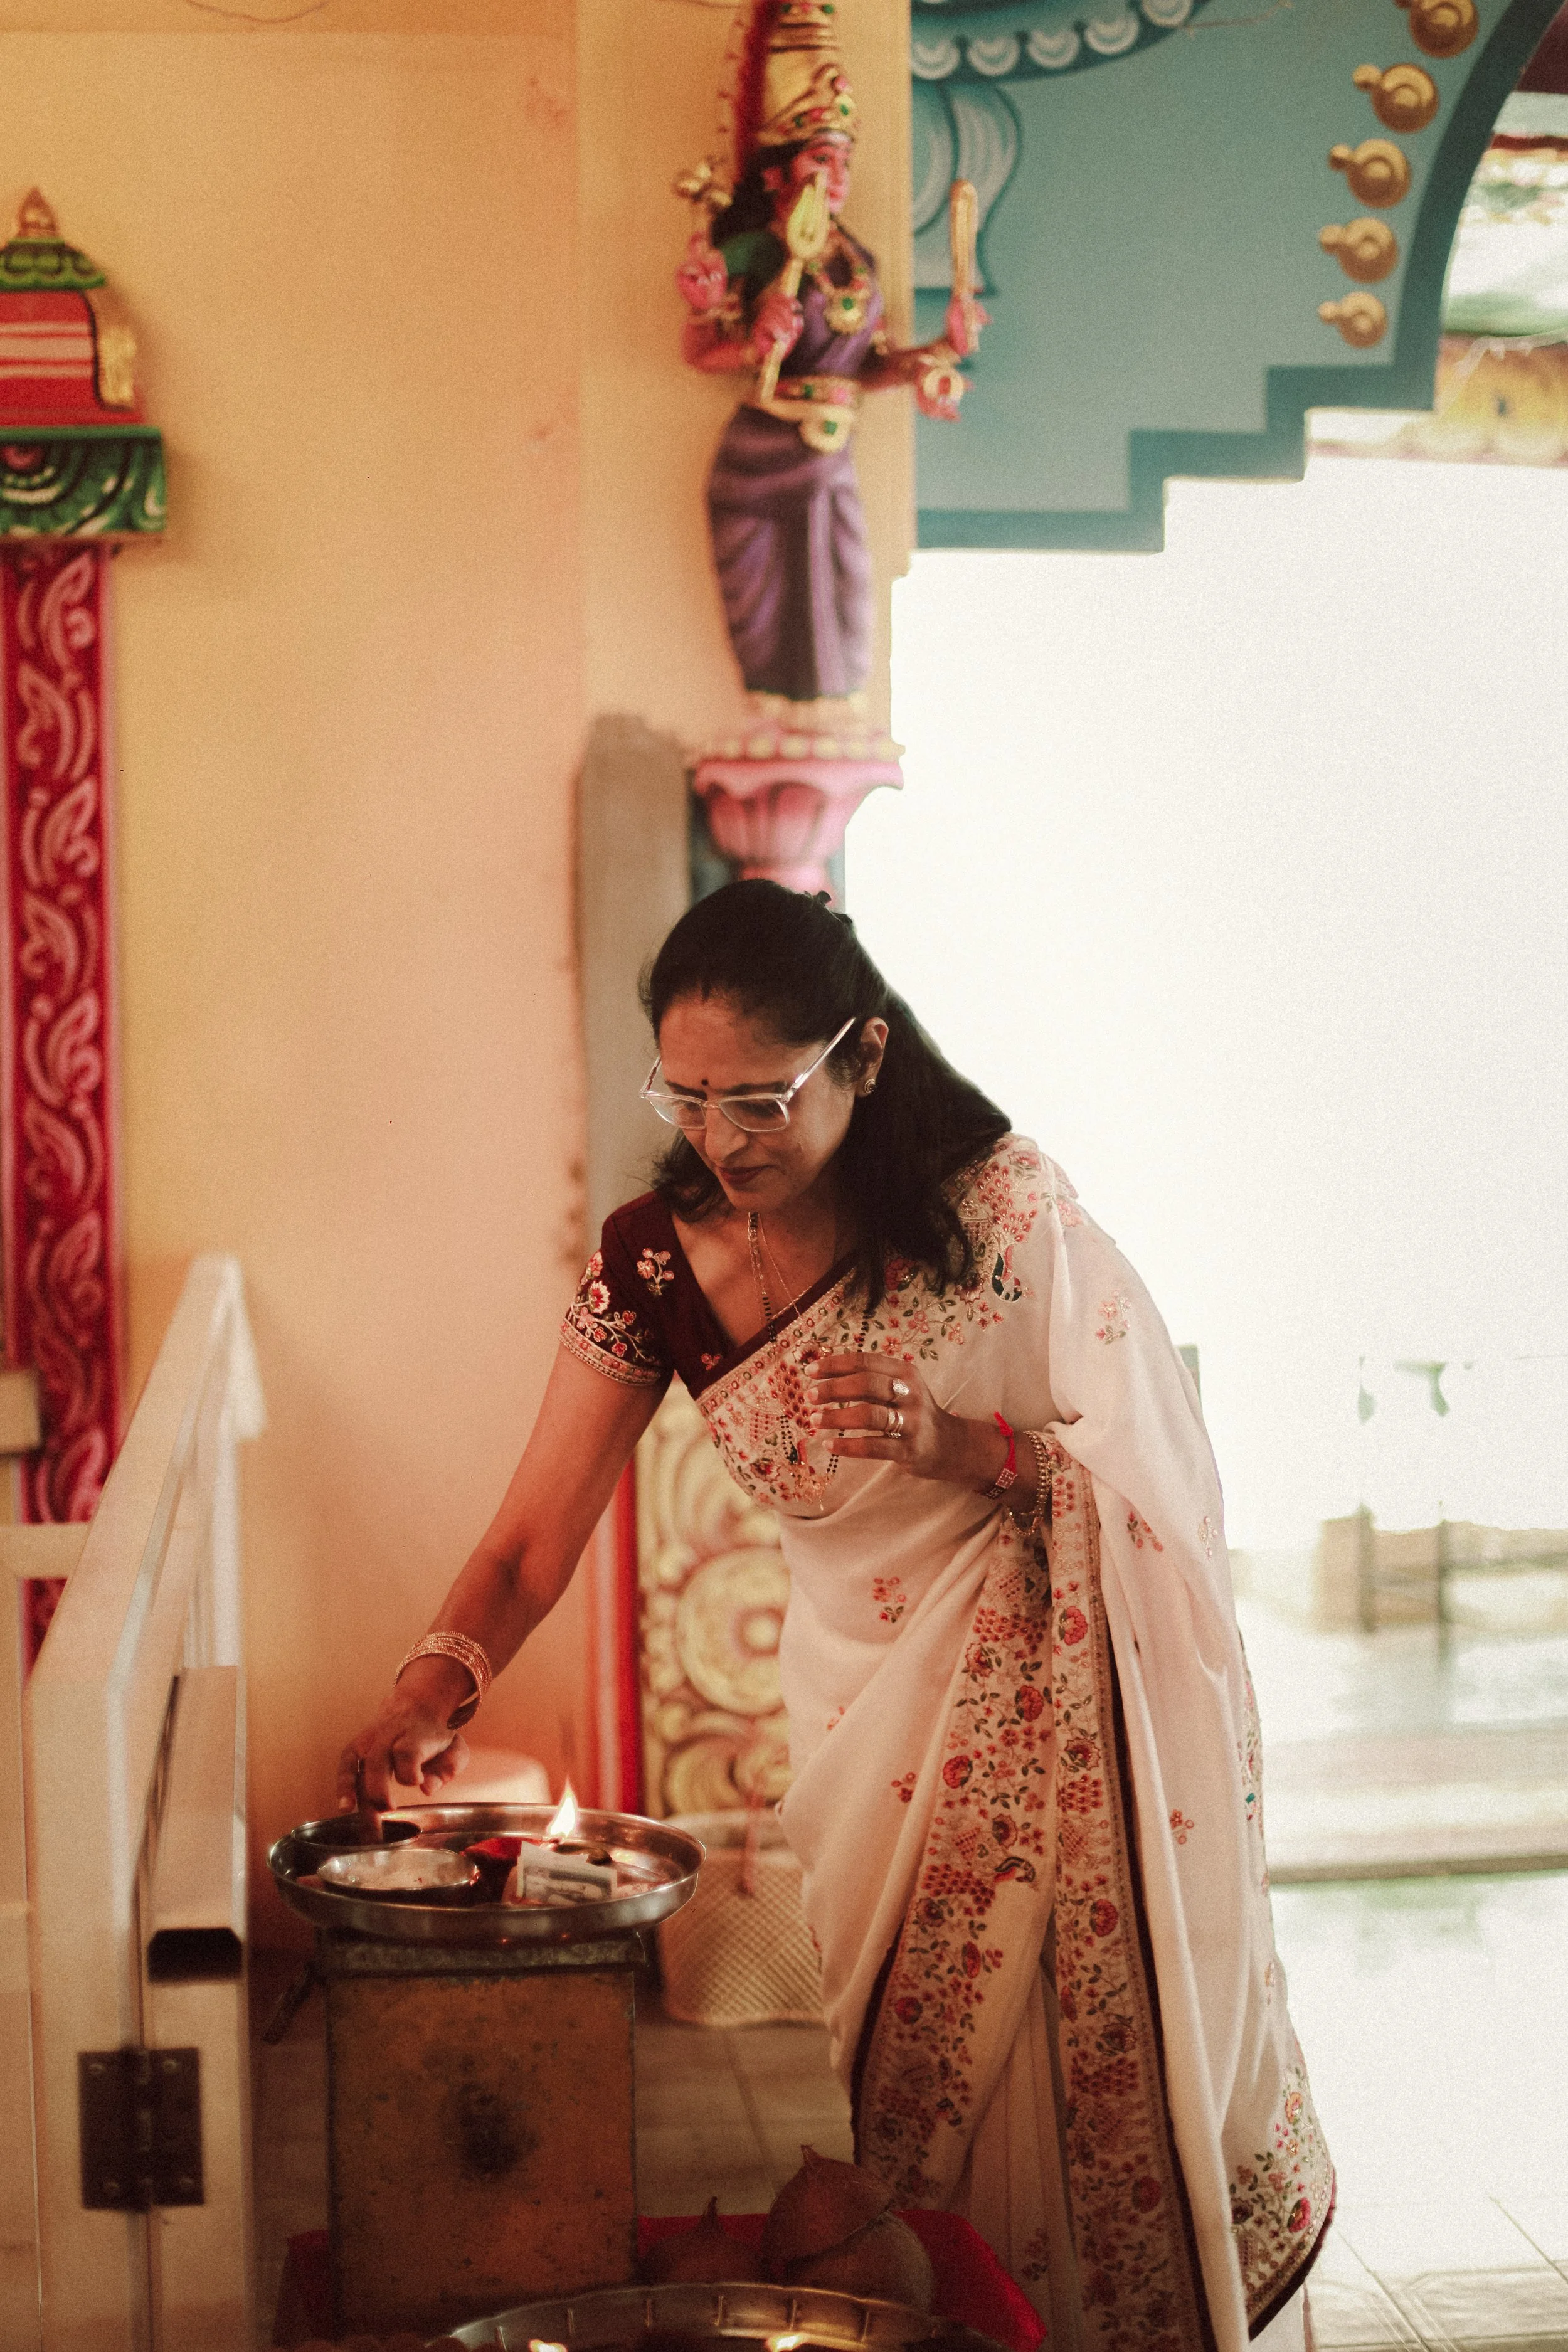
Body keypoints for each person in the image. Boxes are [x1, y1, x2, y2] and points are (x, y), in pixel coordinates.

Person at [340, 881, 1332, 2352]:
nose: (723, 1141)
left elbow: (1156, 1482)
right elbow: (531, 1535)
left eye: (761, 1100)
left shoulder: (998, 1213)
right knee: (919, 2106)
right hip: (863, 1734)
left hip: (1058, 1711)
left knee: (1064, 2080)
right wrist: (433, 1680)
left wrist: (957, 1443)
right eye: (685, 1101)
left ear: (862, 1056)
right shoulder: (652, 1265)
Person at [675, 0, 979, 704]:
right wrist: (750, 339)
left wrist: (932, 358)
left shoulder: (857, 259)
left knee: (844, 622)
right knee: (770, 649)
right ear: (781, 172)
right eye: (821, 158)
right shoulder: (752, 250)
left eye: (844, 159)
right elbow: (697, 350)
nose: (837, 175)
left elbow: (869, 364)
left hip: (832, 457)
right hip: (764, 449)